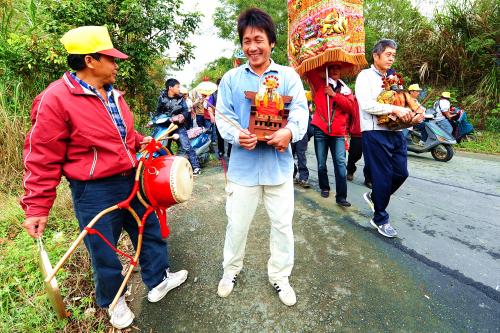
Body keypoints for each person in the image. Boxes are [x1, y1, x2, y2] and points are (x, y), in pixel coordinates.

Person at [20, 26, 188, 329]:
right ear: (90, 61)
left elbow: (122, 135)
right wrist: (37, 207)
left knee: (148, 229)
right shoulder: (55, 99)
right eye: (110, 58)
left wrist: (140, 140)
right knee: (103, 249)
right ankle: (114, 300)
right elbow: (42, 156)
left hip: (131, 178)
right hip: (94, 190)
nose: (116, 64)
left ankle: (158, 279)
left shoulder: (114, 95)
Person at [215, 8, 308, 306]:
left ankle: (280, 277)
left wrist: (289, 133)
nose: (252, 47)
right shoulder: (230, 79)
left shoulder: (288, 77)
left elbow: (300, 114)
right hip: (243, 169)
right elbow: (223, 117)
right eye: (246, 41)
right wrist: (236, 135)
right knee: (237, 224)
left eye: (258, 39)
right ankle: (230, 271)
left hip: (278, 168)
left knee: (282, 227)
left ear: (271, 42)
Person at [355, 39, 424, 238]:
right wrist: (394, 108)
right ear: (376, 55)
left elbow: (405, 102)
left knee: (401, 173)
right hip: (375, 132)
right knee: (382, 176)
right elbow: (367, 105)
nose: (391, 58)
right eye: (388, 54)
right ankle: (380, 218)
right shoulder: (365, 77)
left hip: (397, 132)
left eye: (393, 55)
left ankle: (375, 196)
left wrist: (416, 114)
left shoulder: (394, 79)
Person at [308, 63, 356, 207]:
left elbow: (351, 108)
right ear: (327, 70)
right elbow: (310, 72)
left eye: (337, 68)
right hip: (320, 129)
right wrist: (323, 63)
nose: (335, 71)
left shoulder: (346, 90)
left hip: (338, 132)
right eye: (332, 68)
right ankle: (324, 187)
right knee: (321, 162)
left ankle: (341, 197)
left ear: (340, 72)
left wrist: (334, 95)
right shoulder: (319, 84)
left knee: (341, 165)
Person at [156, 78, 201, 175]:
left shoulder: (181, 98)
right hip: (165, 127)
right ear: (170, 87)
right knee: (163, 147)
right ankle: (170, 168)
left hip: (178, 126)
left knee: (186, 146)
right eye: (177, 87)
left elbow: (185, 111)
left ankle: (196, 167)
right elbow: (158, 112)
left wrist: (182, 116)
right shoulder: (162, 98)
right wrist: (155, 120)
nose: (179, 89)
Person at [346, 94, 372, 188]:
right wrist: (347, 130)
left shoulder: (373, 99)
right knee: (354, 154)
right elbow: (348, 115)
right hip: (357, 132)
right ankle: (350, 171)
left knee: (370, 158)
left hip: (371, 132)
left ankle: (369, 179)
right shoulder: (353, 100)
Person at [211, 78, 232, 159]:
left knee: (230, 134)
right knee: (220, 136)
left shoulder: (230, 93)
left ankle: (230, 152)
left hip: (229, 118)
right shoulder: (213, 94)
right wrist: (212, 116)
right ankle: (221, 151)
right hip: (219, 118)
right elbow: (209, 106)